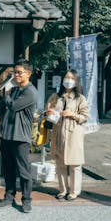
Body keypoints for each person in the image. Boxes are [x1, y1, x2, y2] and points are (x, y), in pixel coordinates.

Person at [0, 59, 38, 213]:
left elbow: (13, 106)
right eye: (15, 72)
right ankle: (9, 196)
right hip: (7, 134)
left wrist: (6, 94)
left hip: (20, 137)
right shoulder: (15, 90)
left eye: (19, 72)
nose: (16, 75)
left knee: (24, 171)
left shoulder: (30, 92)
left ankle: (26, 200)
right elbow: (2, 104)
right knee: (8, 168)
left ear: (28, 73)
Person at [45, 69, 88, 200]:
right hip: (58, 133)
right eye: (66, 77)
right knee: (60, 163)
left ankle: (74, 191)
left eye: (71, 78)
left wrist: (72, 114)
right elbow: (47, 111)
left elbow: (85, 116)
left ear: (76, 81)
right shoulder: (55, 96)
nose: (68, 81)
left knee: (75, 164)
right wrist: (49, 112)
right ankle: (62, 190)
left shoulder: (80, 98)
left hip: (73, 134)